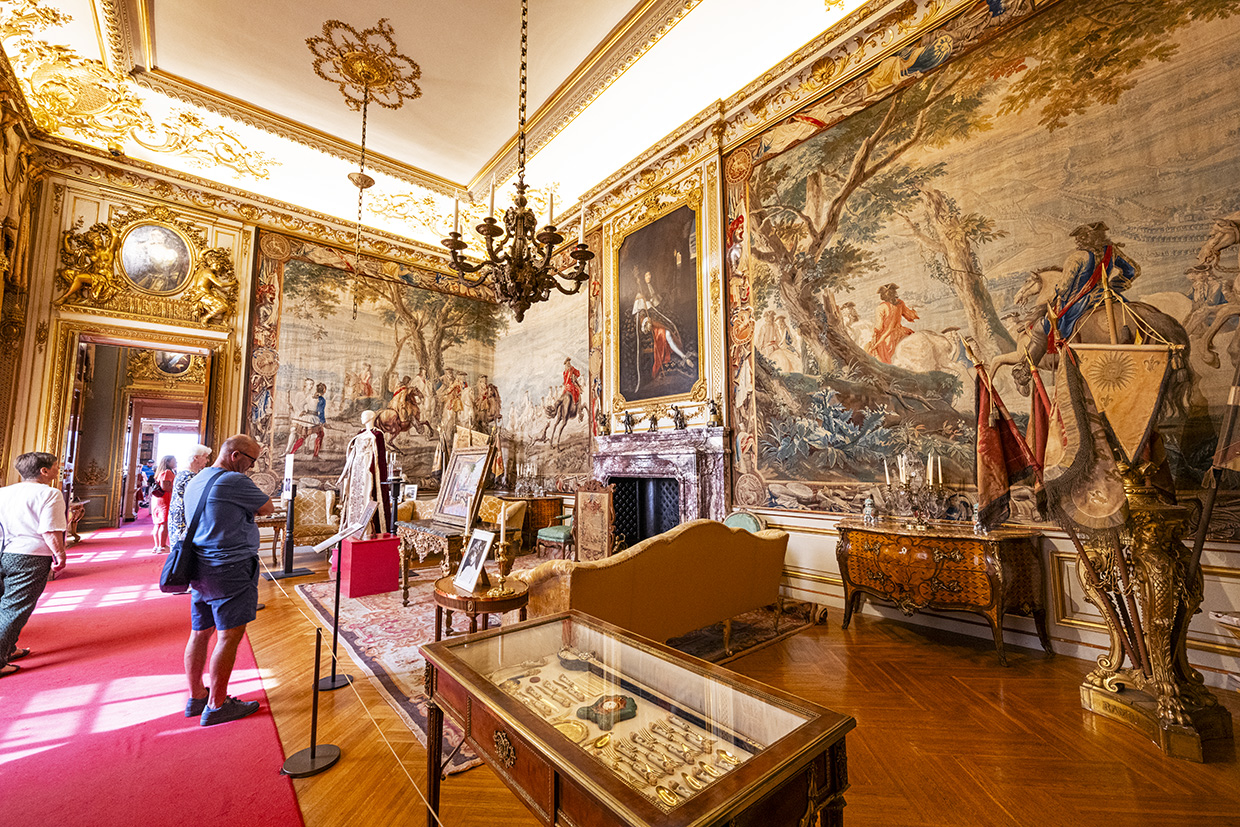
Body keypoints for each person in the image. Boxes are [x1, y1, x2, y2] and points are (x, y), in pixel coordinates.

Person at [182, 434, 274, 726]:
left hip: (200, 565)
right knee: (229, 636)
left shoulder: (198, 478)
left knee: (200, 633)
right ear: (236, 455)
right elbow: (266, 508)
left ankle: (197, 695)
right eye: (251, 460)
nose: (251, 467)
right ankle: (217, 704)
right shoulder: (234, 480)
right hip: (230, 566)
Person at [0, 452, 67, 678]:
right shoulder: (50, 494)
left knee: (6, 604)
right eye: (56, 466)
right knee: (15, 607)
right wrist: (60, 555)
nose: (59, 469)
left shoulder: (4, 492)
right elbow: (49, 530)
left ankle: (8, 648)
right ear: (44, 471)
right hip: (30, 555)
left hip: (2, 551)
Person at [169, 444, 212, 549]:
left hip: (180, 517)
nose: (207, 461)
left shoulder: (185, 473)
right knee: (183, 552)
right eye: (205, 457)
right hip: (184, 520)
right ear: (196, 458)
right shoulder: (189, 476)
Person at [867, 282, 919, 364]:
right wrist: (914, 312)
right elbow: (910, 316)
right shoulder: (900, 303)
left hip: (888, 338)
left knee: (872, 352)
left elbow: (879, 327)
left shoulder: (881, 308)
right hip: (901, 332)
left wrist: (875, 332)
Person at [150, 455, 177, 553]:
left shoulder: (160, 471)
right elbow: (165, 487)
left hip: (158, 499)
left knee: (158, 523)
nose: (176, 462)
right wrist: (177, 489)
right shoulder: (167, 472)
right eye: (174, 461)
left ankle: (157, 545)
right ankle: (162, 545)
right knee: (164, 523)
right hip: (165, 499)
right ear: (168, 462)